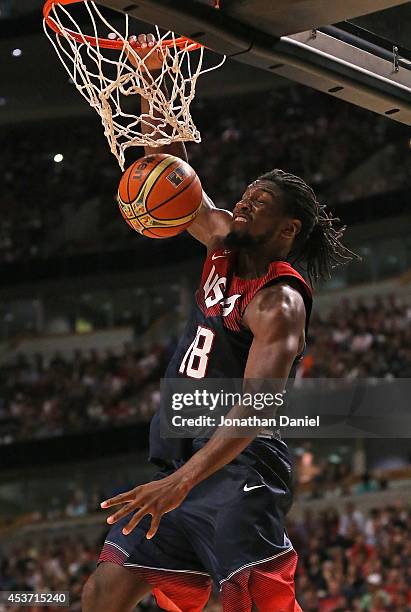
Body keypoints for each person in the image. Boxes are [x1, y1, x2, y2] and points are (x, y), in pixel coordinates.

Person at [82, 34, 356, 612]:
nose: (244, 203)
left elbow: (257, 408)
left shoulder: (278, 300)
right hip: (181, 464)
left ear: (286, 230)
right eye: (246, 194)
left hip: (239, 469)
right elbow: (173, 176)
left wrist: (184, 482)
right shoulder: (222, 245)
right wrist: (150, 86)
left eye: (260, 203)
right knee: (103, 591)